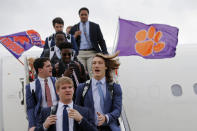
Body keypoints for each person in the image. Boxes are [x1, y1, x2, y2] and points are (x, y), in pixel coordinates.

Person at [75, 51, 122, 131]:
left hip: (109, 128)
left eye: (100, 63)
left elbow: (117, 110)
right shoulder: (81, 87)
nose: (96, 65)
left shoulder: (115, 87)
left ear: (106, 67)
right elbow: (78, 110)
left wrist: (106, 117)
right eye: (94, 63)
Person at [70, 7, 108, 77]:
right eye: (82, 15)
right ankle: (83, 87)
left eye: (85, 14)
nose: (84, 16)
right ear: (79, 16)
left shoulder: (95, 26)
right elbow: (70, 43)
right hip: (80, 53)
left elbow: (101, 40)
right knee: (81, 72)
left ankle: (94, 87)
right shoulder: (74, 28)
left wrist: (105, 52)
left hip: (92, 52)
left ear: (88, 15)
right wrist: (75, 36)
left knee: (93, 71)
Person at [26, 58, 59, 131]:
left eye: (51, 65)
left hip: (57, 116)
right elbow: (30, 108)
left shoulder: (57, 81)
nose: (51, 67)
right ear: (40, 70)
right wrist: (32, 125)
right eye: (48, 66)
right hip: (41, 119)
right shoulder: (31, 86)